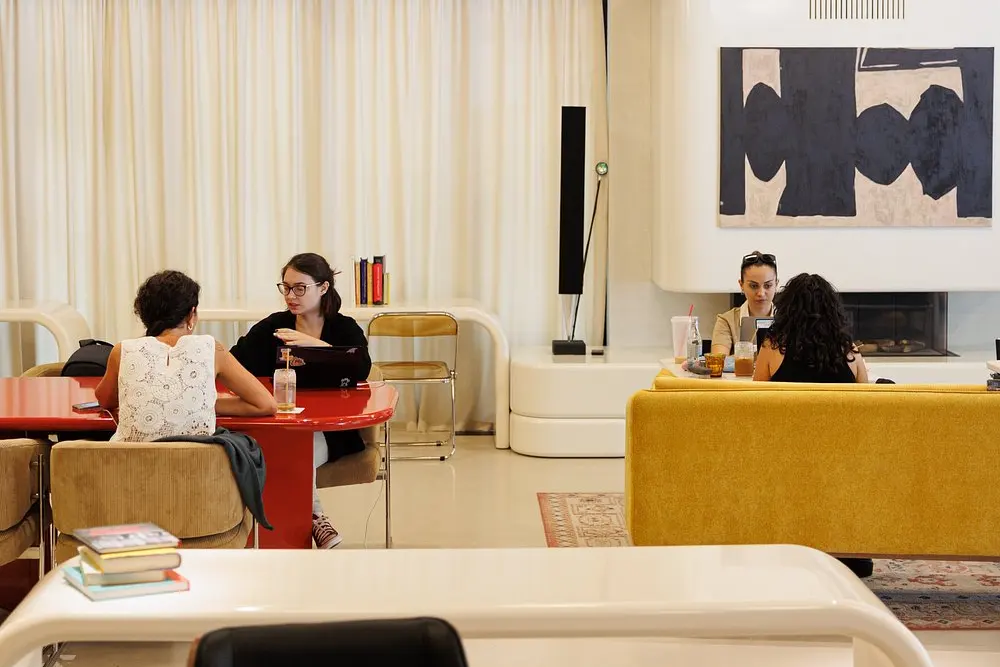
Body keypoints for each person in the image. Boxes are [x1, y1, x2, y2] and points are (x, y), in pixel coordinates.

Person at [230, 252, 372, 549]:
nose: (290, 296)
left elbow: (361, 368)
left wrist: (316, 346)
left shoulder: (344, 328)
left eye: (299, 288)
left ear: (323, 287)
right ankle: (315, 521)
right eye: (286, 287)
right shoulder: (274, 327)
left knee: (296, 452)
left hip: (328, 429)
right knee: (278, 448)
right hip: (278, 425)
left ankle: (307, 523)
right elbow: (234, 362)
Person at [752, 272, 871, 578]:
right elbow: (867, 407)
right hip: (841, 457)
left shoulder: (773, 346)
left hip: (787, 452)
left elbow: (754, 401)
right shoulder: (850, 351)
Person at [95, 270, 278, 441]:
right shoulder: (212, 349)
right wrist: (199, 403)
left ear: (143, 314)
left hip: (131, 463)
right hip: (196, 463)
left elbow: (104, 399)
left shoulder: (123, 350)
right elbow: (265, 404)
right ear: (192, 314)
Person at [753, 273, 868, 384]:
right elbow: (866, 394)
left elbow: (755, 393)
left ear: (787, 309)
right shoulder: (848, 350)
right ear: (831, 310)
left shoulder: (772, 346)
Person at [711, 251, 778, 355]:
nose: (761, 293)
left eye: (768, 285)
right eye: (754, 286)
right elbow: (719, 359)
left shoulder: (790, 320)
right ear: (741, 285)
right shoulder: (727, 321)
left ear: (776, 284)